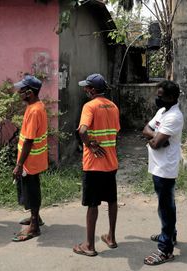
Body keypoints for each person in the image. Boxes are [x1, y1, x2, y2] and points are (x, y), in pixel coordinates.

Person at [73, 74, 120, 257]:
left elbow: (82, 130)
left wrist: (90, 144)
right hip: (111, 162)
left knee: (93, 204)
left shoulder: (89, 106)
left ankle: (89, 246)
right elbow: (115, 132)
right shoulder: (113, 106)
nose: (85, 89)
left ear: (92, 89)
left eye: (87, 87)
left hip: (93, 165)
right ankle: (111, 238)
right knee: (112, 200)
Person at [142, 80, 183, 265]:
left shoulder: (174, 116)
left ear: (172, 97)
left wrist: (157, 139)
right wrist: (156, 136)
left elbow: (157, 144)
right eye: (158, 95)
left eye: (161, 96)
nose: (158, 99)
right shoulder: (162, 112)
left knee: (166, 208)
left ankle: (165, 249)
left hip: (165, 167)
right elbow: (146, 129)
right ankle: (170, 234)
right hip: (158, 167)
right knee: (166, 204)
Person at [11, 74, 48, 242]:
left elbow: (29, 140)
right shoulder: (34, 106)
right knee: (30, 188)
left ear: (31, 92)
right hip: (32, 158)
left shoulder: (34, 110)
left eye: (23, 90)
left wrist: (19, 164)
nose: (19, 92)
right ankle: (36, 217)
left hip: (30, 160)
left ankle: (34, 227)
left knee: (32, 190)